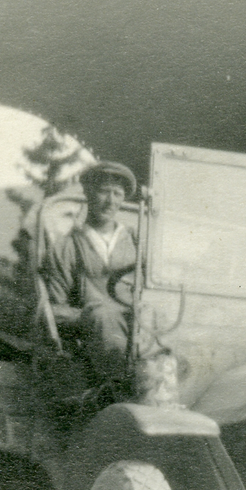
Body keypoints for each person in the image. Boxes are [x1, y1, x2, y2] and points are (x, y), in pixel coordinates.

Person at [42, 161, 142, 386]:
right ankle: (123, 387)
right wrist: (92, 316)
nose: (111, 201)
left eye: (118, 194)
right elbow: (53, 311)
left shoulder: (137, 242)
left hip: (137, 332)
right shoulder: (65, 248)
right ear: (87, 192)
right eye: (103, 191)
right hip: (93, 346)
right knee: (103, 315)